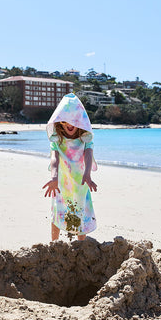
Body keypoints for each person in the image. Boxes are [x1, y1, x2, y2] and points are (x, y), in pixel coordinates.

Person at [43, 93, 98, 241]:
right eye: (65, 120)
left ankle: (81, 246)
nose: (70, 123)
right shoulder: (57, 139)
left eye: (74, 119)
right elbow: (54, 158)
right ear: (59, 121)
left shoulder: (85, 138)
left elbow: (87, 155)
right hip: (61, 182)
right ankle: (54, 243)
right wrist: (53, 177)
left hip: (81, 182)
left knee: (79, 210)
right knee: (58, 210)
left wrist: (87, 174)